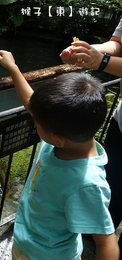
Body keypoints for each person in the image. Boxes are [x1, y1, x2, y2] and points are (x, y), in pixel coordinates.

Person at [0, 50, 119, 260]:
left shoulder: (87, 184)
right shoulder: (63, 141)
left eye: (37, 124)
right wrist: (13, 68)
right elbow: (32, 103)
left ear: (58, 138)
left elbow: (106, 241)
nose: (35, 122)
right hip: (26, 243)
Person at [60, 21, 122, 254]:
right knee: (112, 188)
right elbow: (116, 45)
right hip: (121, 124)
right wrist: (88, 51)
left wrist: (101, 61)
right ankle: (92, 241)